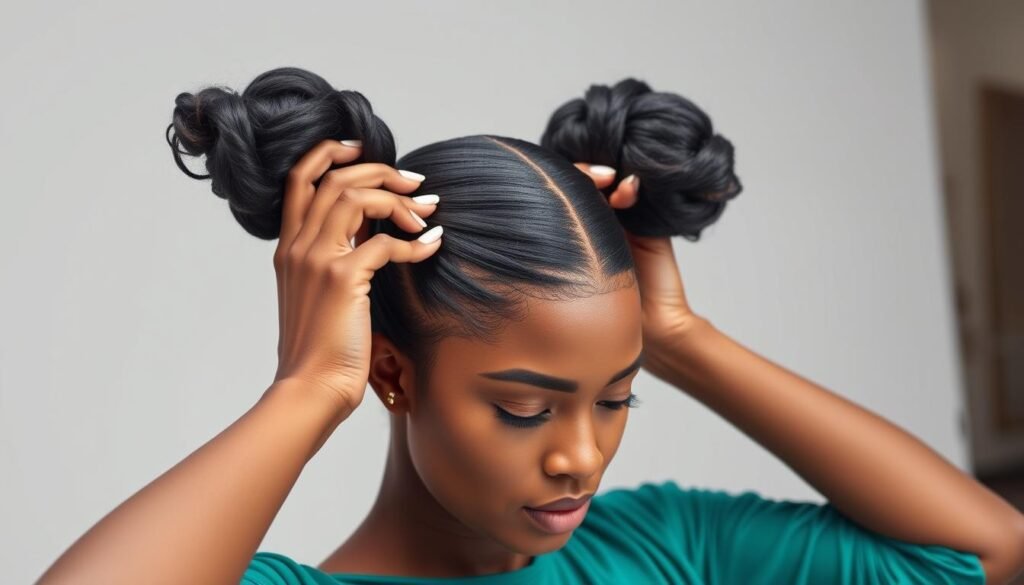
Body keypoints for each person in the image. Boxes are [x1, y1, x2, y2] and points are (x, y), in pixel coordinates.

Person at [38, 67, 1024, 585]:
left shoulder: (664, 547)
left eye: (617, 396)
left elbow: (985, 553)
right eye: (523, 408)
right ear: (391, 372)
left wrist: (677, 335)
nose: (581, 459)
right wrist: (304, 390)